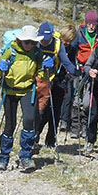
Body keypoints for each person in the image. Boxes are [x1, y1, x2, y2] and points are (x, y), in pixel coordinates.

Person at [0, 25, 44, 172]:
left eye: (32, 42)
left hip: (28, 90)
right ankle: (3, 158)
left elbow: (42, 75)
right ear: (21, 40)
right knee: (10, 124)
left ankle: (26, 157)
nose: (29, 45)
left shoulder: (37, 53)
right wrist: (0, 68)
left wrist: (48, 68)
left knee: (29, 121)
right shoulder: (11, 51)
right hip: (10, 91)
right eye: (27, 42)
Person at [33, 21, 75, 152]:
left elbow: (69, 63)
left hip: (60, 82)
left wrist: (76, 72)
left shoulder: (69, 48)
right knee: (43, 110)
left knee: (56, 111)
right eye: (65, 39)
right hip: (45, 80)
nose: (66, 42)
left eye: (69, 41)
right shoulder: (47, 43)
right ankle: (35, 135)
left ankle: (51, 139)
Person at [70, 10, 98, 140]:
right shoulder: (79, 34)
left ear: (97, 24)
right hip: (80, 69)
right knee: (76, 98)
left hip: (94, 72)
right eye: (89, 24)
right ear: (85, 23)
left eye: (93, 24)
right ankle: (75, 127)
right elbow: (72, 50)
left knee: (88, 101)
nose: (91, 27)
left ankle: (85, 126)